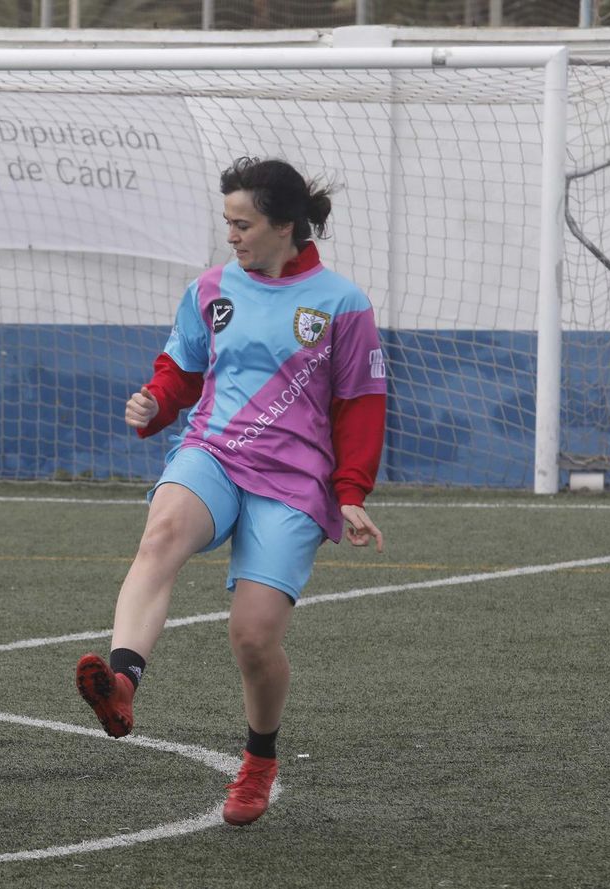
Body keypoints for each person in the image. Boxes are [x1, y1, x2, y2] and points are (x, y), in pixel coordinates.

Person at [74, 157, 387, 826]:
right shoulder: (209, 289)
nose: (232, 237)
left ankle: (259, 759)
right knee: (160, 534)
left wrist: (352, 489)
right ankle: (124, 681)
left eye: (242, 225)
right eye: (227, 224)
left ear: (284, 225)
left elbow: (360, 402)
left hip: (296, 481)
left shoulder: (343, 303)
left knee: (252, 638)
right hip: (211, 453)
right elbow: (180, 372)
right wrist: (154, 403)